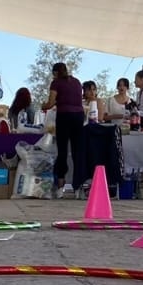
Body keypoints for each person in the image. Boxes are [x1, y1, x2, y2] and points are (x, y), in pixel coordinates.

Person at [43, 62, 85, 194]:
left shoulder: (56, 83)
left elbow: (50, 103)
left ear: (55, 73)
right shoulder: (77, 82)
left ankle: (60, 185)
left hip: (64, 116)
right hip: (79, 116)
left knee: (62, 151)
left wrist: (43, 106)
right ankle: (78, 186)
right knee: (77, 151)